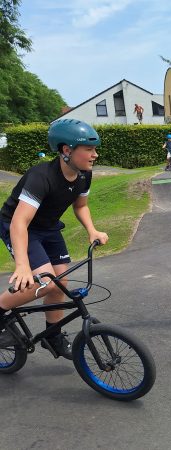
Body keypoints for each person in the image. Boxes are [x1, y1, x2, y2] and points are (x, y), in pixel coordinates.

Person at [0, 119, 108, 359]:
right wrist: (22, 265)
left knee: (60, 282)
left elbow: (81, 206)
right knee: (46, 283)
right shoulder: (42, 176)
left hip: (48, 228)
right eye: (89, 149)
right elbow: (19, 222)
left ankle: (53, 336)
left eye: (95, 149)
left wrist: (92, 230)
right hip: (19, 226)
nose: (95, 155)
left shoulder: (84, 175)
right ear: (67, 150)